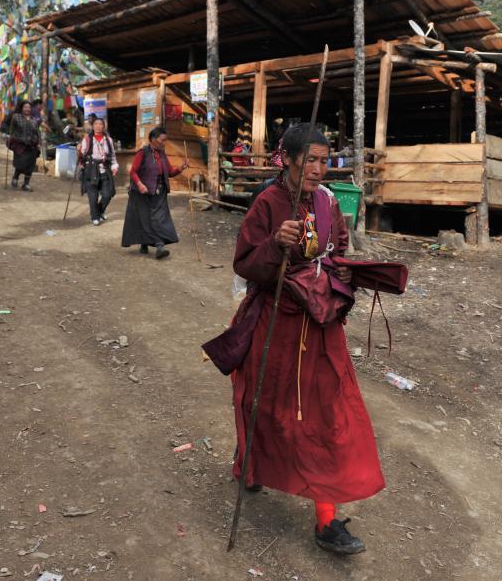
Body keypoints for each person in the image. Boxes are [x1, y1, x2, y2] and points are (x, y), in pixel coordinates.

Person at [210, 123, 384, 555]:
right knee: (264, 403)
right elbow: (245, 264)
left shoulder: (328, 203)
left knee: (327, 416)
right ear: (286, 159)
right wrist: (274, 244)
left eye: (325, 161)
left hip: (320, 325)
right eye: (311, 160)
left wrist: (344, 271)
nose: (319, 169)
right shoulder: (268, 203)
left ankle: (326, 521)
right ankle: (248, 460)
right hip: (276, 325)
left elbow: (337, 249)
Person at [121, 127, 188, 259]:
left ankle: (148, 244)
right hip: (142, 192)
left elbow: (170, 172)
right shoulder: (143, 153)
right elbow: (133, 171)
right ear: (153, 139)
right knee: (145, 218)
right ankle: (159, 246)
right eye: (162, 140)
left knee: (159, 218)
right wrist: (139, 184)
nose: (164, 142)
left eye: (165, 140)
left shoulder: (162, 153)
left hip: (160, 191)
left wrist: (181, 167)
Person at [78, 117, 118, 226]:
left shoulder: (108, 140)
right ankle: (94, 216)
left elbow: (112, 155)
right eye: (96, 124)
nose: (98, 126)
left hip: (104, 169)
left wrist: (114, 166)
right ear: (93, 126)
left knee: (108, 193)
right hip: (90, 170)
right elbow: (82, 155)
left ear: (103, 127)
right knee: (93, 196)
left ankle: (99, 211)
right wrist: (79, 151)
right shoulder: (87, 139)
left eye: (100, 124)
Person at [6, 100, 40, 191]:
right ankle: (15, 177)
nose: (27, 109)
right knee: (20, 163)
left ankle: (26, 184)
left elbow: (37, 132)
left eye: (29, 107)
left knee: (30, 166)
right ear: (21, 108)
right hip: (20, 144)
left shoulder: (34, 120)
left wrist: (38, 141)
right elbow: (8, 124)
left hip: (32, 145)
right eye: (25, 107)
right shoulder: (16, 117)